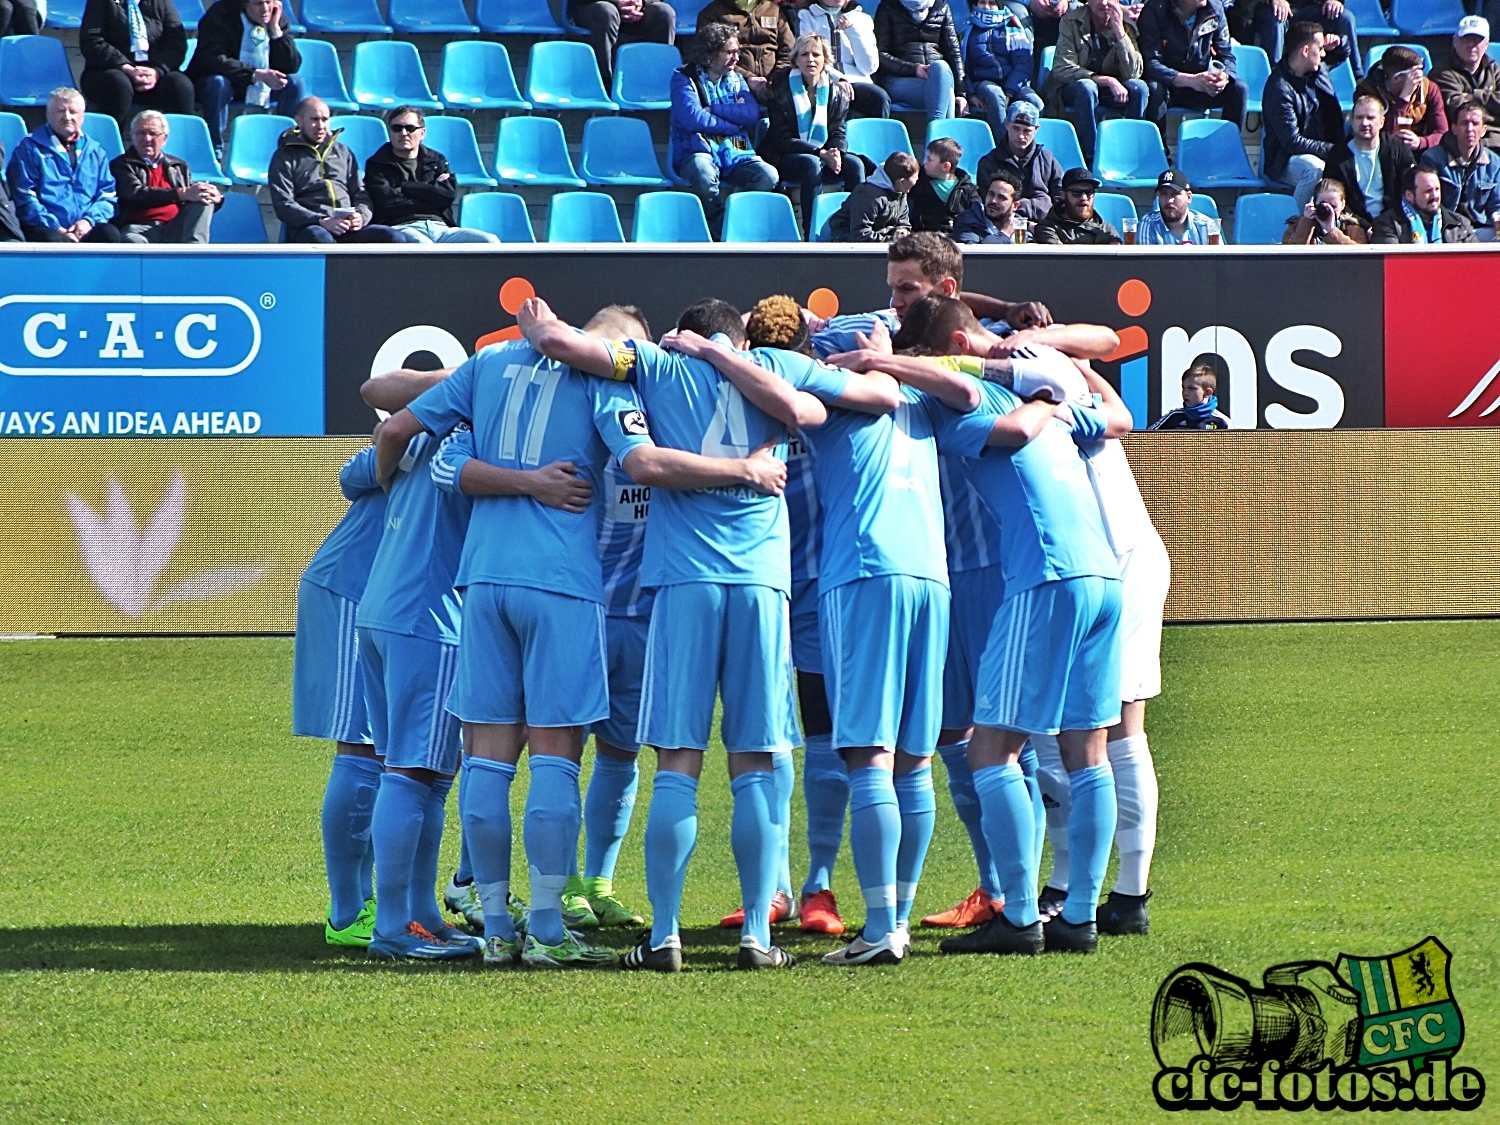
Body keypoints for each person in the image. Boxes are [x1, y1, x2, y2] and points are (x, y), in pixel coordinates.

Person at [380, 304, 788, 969]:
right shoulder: (605, 384)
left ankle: (492, 924)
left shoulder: (486, 364)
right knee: (554, 759)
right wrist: (744, 469)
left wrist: (378, 485)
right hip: (561, 584)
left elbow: (398, 422)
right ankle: (544, 926)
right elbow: (644, 461)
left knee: (486, 759)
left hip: (482, 580)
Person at [523, 296, 899, 971]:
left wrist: (539, 327)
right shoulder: (776, 363)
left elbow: (573, 348)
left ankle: (664, 933)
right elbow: (861, 400)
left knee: (677, 760)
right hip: (760, 583)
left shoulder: (659, 366)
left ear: (684, 334)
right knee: (756, 759)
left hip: (682, 582)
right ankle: (758, 932)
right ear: (739, 335)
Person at [894, 297, 1126, 957]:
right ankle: (1079, 915)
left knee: (990, 749)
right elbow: (1118, 414)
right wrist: (1059, 369)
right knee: (1089, 752)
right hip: (1104, 576)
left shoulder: (964, 407)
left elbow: (961, 388)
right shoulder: (1048, 398)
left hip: (1046, 575)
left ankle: (1020, 914)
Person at [354, 396, 481, 962]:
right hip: (428, 619)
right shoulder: (470, 436)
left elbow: (363, 448)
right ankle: (391, 925)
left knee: (424, 774)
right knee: (411, 772)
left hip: (384, 609)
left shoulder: (418, 432)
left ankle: (420, 913)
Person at [295, 443, 389, 951]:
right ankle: (347, 911)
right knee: (362, 745)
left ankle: (370, 901)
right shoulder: (437, 420)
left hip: (396, 599)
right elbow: (351, 474)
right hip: (350, 590)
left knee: (392, 752)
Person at [669, 24, 779, 231]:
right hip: (698, 150)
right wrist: (733, 124)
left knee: (768, 175)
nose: (736, 58)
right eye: (730, 52)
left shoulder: (737, 78)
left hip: (737, 151)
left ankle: (731, 220)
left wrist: (713, 109)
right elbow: (693, 118)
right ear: (710, 53)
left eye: (738, 51)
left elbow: (751, 115)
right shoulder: (684, 78)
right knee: (703, 172)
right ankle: (717, 225)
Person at [759, 33, 865, 238]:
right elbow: (781, 140)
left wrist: (836, 152)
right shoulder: (779, 89)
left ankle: (852, 228)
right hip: (785, 156)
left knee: (855, 165)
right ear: (795, 60)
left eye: (816, 54)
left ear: (825, 59)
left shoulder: (837, 93)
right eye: (804, 54)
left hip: (823, 154)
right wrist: (819, 152)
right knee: (811, 164)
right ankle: (811, 232)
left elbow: (839, 132)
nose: (810, 59)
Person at [268, 97, 410, 244]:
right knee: (320, 238)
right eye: (314, 119)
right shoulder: (285, 156)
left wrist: (361, 216)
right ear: (299, 121)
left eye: (325, 119)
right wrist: (322, 220)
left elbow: (360, 193)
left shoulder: (343, 152)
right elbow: (284, 204)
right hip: (311, 227)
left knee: (392, 237)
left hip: (346, 227)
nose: (321, 126)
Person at [364, 106, 500, 244]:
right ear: (390, 132)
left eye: (410, 128)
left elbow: (447, 196)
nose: (404, 133)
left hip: (441, 227)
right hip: (402, 226)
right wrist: (430, 193)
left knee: (489, 241)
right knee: (425, 247)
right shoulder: (377, 164)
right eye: (397, 128)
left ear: (422, 133)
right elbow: (388, 204)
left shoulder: (436, 159)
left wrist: (405, 187)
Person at [188, 0, 305, 158]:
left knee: (295, 83)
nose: (265, 9)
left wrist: (276, 32)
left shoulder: (277, 17)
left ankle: (287, 148)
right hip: (224, 81)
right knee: (218, 83)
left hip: (263, 83)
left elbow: (291, 66)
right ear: (244, 4)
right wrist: (255, 74)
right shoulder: (220, 14)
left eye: (268, 2)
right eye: (258, 4)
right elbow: (212, 59)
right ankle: (214, 150)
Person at [7, 88, 124, 243]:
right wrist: (58, 228)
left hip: (85, 227)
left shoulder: (95, 151)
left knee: (110, 234)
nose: (67, 117)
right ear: (48, 114)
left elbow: (107, 195)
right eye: (60, 111)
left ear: (82, 116)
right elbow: (25, 197)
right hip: (46, 227)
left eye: (73, 112)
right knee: (52, 240)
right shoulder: (29, 148)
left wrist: (87, 222)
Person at [1043, 0, 1148, 165]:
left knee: (1139, 88)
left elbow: (1133, 72)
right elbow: (1062, 67)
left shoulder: (1126, 24)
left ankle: (1127, 152)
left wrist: (1120, 32)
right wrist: (1106, 80)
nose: (1104, 3)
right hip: (1073, 87)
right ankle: (1090, 155)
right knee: (1087, 87)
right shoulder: (1071, 20)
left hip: (1110, 90)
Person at [1260, 22, 1345, 206]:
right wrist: (1335, 150)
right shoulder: (1279, 89)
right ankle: (1297, 226)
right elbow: (1292, 142)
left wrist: (1339, 42)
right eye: (1320, 49)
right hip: (1285, 159)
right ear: (1305, 51)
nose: (1324, 54)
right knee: (1315, 169)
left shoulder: (1316, 70)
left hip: (1322, 147)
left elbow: (1341, 54)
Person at [111, 110, 221, 243]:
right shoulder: (121, 164)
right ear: (132, 136)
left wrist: (215, 198)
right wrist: (181, 193)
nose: (147, 139)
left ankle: (195, 254)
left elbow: (191, 195)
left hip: (175, 226)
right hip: (139, 228)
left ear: (164, 138)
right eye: (141, 133)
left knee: (203, 199)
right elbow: (135, 194)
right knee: (132, 241)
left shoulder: (178, 166)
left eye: (153, 133)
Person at [79, 0, 194, 127]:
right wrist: (126, 67)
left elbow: (176, 44)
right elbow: (92, 41)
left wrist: (157, 71)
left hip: (154, 73)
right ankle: (111, 143)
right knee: (118, 84)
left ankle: (179, 143)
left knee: (179, 85)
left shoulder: (162, 2)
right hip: (110, 70)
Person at [1138, 0, 1247, 130]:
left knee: (1239, 88)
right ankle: (1159, 148)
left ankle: (1230, 144)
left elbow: (1226, 54)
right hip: (1168, 85)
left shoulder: (1214, 8)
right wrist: (1190, 80)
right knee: (1154, 89)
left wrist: (1224, 77)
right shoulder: (1154, 10)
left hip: (1199, 85)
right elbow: (1150, 64)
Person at [1323, 93, 1415, 226]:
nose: (1364, 123)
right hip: (1353, 225)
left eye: (1370, 118)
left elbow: (1409, 191)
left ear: (1382, 122)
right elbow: (1334, 199)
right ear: (1352, 121)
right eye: (1359, 118)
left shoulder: (1398, 149)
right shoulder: (1338, 155)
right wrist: (1364, 226)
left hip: (1394, 223)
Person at [874, 0, 967, 121]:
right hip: (899, 79)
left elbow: (954, 53)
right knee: (947, 95)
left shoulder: (942, 7)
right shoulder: (888, 7)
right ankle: (940, 133)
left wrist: (961, 93)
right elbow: (879, 55)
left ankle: (936, 133)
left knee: (941, 67)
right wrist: (914, 69)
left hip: (937, 76)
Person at [796, 0, 891, 119]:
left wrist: (852, 31)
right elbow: (807, 57)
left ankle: (877, 136)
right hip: (822, 79)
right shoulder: (806, 16)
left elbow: (869, 67)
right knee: (835, 98)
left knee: (879, 98)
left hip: (857, 81)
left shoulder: (862, 18)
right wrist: (838, 78)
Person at [1421, 97, 1500, 240]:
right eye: (1464, 123)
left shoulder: (1494, 163)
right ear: (1454, 128)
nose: (1469, 129)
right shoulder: (1432, 159)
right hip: (1445, 229)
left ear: (1483, 130)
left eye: (1475, 124)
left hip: (1480, 228)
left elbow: (1497, 204)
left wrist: (1497, 218)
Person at [965, 0, 1043, 137]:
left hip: (1013, 84)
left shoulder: (1013, 27)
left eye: (992, 3)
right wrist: (970, 94)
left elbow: (1023, 64)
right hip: (983, 82)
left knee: (1035, 102)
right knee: (994, 94)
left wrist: (1009, 92)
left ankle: (1031, 150)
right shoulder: (967, 30)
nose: (987, 7)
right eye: (982, 2)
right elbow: (962, 66)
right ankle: (1004, 147)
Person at [975, 99, 1063, 218]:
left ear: (1036, 129)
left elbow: (1061, 200)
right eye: (1016, 128)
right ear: (1006, 124)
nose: (1021, 136)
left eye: (1027, 131)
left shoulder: (1048, 160)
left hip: (1046, 226)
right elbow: (991, 206)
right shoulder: (989, 162)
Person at [1356, 46, 1448, 155]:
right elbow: (1384, 136)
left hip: (1419, 152)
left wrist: (1421, 142)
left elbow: (1442, 132)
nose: (1420, 79)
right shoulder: (1367, 91)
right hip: (1381, 153)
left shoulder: (1429, 88)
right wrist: (1404, 98)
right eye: (1414, 76)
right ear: (1396, 78)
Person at [1236, 0, 1359, 79]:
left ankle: (1357, 78)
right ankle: (1276, 78)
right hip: (1271, 8)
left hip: (1310, 7)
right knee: (1276, 21)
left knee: (1345, 18)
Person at [570, 0, 676, 88]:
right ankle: (606, 83)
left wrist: (640, 3)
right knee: (607, 12)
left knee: (665, 13)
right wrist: (618, 2)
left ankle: (659, 83)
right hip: (595, 7)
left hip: (638, 9)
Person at [697, 0, 795, 94]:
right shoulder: (712, 13)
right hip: (734, 84)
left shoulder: (773, 9)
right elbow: (709, 56)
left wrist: (775, 79)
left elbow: (789, 52)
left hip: (776, 85)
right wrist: (747, 77)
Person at [1433, 16, 1500, 150]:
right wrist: (1494, 111)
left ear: (1486, 43)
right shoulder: (1442, 72)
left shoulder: (1495, 70)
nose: (1471, 45)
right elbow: (1455, 108)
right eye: (1466, 39)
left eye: (1477, 40)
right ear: (1455, 41)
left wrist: (1472, 96)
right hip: (1461, 140)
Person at [1371, 163, 1479, 242]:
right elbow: (1392, 265)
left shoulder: (1459, 224)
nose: (1435, 196)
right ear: (1410, 195)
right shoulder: (1388, 224)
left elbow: (1477, 262)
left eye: (1437, 189)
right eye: (1428, 191)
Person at [829, 149, 918, 240]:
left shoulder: (900, 192)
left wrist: (901, 232)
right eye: (914, 178)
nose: (917, 180)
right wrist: (891, 240)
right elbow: (860, 234)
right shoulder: (868, 196)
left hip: (877, 237)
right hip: (847, 239)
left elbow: (903, 223)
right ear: (901, 181)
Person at [1033, 166, 1121, 243]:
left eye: (1089, 192)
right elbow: (1061, 260)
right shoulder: (1048, 228)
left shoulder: (1107, 230)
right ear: (1063, 195)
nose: (1084, 198)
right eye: (1076, 192)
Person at [909, 136, 978, 233]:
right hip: (924, 234)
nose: (924, 162)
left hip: (954, 237)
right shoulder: (919, 181)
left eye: (929, 159)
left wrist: (960, 222)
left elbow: (977, 213)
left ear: (945, 166)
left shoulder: (967, 189)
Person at [1134, 168, 1219, 243]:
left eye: (1175, 194)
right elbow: (1144, 261)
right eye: (1163, 194)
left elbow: (1219, 260)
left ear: (1189, 197)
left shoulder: (1206, 226)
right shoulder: (1149, 224)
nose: (1169, 200)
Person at [1280, 176, 1369, 242]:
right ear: (1315, 203)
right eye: (1323, 204)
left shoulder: (1354, 230)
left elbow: (1358, 257)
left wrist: (1332, 230)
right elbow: (1289, 256)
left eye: (1333, 206)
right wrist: (1306, 224)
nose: (1329, 210)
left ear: (1343, 205)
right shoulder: (1297, 227)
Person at [1149, 364, 1231, 428]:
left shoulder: (1222, 422)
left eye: (1191, 388)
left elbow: (1234, 448)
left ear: (1207, 392)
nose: (1185, 393)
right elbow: (1146, 439)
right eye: (1183, 387)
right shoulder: (1173, 416)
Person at [953, 167, 1023, 242]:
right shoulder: (967, 221)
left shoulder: (1019, 225)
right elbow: (976, 252)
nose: (993, 201)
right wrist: (1004, 235)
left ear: (1015, 206)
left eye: (1001, 197)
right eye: (991, 194)